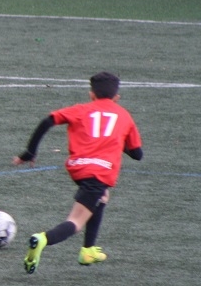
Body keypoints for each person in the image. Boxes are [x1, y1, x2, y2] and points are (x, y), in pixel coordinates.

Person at [14, 71, 143, 274]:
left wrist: (30, 152)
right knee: (75, 222)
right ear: (117, 97)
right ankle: (43, 239)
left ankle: (88, 250)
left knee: (102, 197)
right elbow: (137, 154)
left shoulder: (81, 109)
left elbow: (48, 121)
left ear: (91, 94)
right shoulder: (124, 115)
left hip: (79, 167)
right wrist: (119, 140)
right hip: (99, 172)